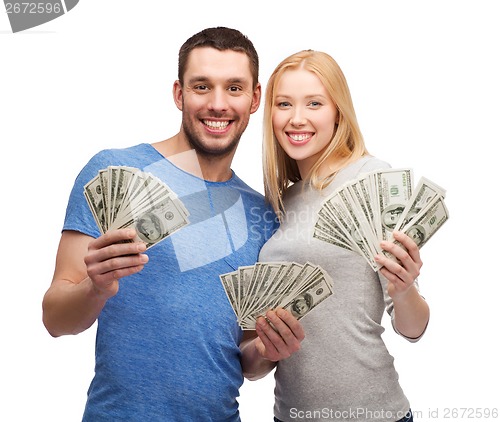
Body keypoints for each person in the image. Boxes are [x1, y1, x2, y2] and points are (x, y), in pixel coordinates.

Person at [42, 27, 302, 421]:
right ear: (179, 94)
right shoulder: (114, 170)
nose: (218, 104)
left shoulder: (263, 214)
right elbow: (55, 320)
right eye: (202, 87)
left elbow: (248, 360)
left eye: (234, 88)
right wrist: (95, 287)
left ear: (254, 99)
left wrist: (268, 351)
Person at [240, 50, 430, 422]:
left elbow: (413, 329)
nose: (297, 118)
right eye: (284, 104)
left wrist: (406, 289)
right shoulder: (279, 202)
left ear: (337, 112)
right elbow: (253, 365)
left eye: (314, 103)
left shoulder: (372, 179)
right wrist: (266, 348)